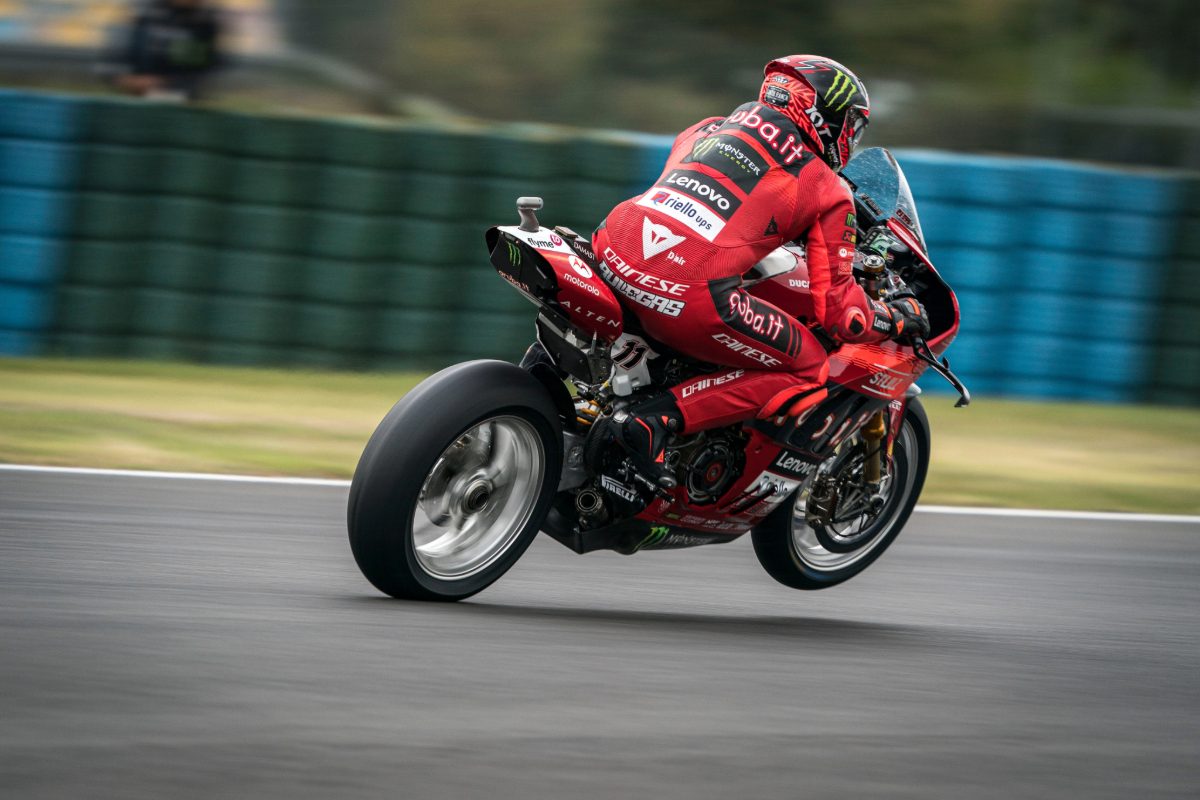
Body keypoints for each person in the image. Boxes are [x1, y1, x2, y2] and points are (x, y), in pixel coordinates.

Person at [592, 55, 930, 486]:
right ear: (822, 116)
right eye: (851, 128)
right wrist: (899, 315)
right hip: (687, 292)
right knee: (809, 367)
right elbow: (842, 313)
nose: (850, 142)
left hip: (611, 246)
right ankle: (654, 421)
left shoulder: (707, 128)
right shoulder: (825, 187)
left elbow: (726, 201)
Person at [116, 0, 222, 101]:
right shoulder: (147, 16)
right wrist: (129, 79)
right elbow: (120, 59)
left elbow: (195, 72)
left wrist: (161, 83)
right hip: (136, 94)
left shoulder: (202, 24)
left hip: (177, 97)